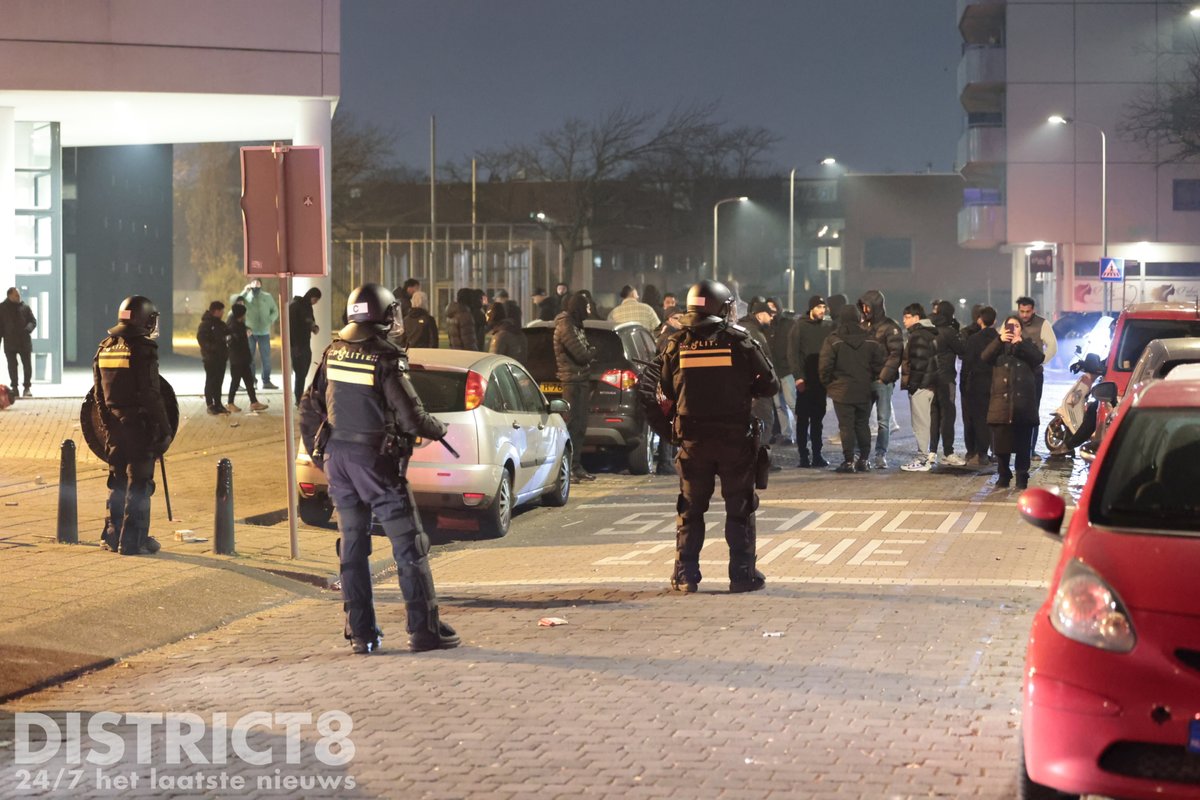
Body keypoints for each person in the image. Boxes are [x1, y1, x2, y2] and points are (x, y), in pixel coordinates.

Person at [299, 283, 458, 655]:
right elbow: (413, 416)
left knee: (352, 548)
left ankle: (361, 634)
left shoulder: (334, 351)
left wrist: (321, 456)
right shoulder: (386, 357)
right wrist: (440, 429)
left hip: (339, 463)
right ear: (385, 316)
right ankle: (424, 630)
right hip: (376, 464)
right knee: (409, 546)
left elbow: (308, 408)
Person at [658, 279, 779, 594]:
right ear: (721, 307)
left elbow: (666, 390)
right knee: (739, 507)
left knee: (690, 508)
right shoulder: (739, 341)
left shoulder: (677, 343)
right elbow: (769, 384)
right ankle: (742, 574)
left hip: (692, 439)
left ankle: (685, 575)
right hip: (732, 438)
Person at [93, 296, 171, 556]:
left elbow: (98, 397)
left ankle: (112, 537)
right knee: (139, 484)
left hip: (113, 427)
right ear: (143, 319)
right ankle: (133, 541)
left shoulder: (104, 347)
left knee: (117, 482)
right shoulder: (143, 349)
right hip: (139, 426)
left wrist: (106, 425)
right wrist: (164, 427)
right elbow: (151, 394)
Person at [819, 305, 885, 473]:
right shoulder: (870, 339)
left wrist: (829, 384)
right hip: (864, 389)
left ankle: (849, 461)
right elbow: (879, 365)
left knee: (846, 426)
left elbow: (825, 367)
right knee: (863, 425)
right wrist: (871, 379)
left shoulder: (833, 339)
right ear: (858, 318)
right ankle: (864, 460)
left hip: (841, 390)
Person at [983, 314, 1044, 489]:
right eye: (1009, 326)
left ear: (1021, 329)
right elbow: (985, 357)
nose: (1013, 329)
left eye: (1016, 326)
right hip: (1001, 406)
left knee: (1023, 446)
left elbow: (1038, 358)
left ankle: (1022, 477)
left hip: (1022, 406)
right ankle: (1003, 476)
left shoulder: (1027, 346)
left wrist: (1020, 343)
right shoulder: (998, 347)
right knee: (1001, 446)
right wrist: (999, 340)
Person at [554, 292, 597, 482]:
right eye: (586, 306)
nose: (589, 310)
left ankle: (576, 466)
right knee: (571, 426)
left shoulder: (577, 325)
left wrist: (589, 352)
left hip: (580, 380)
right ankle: (567, 468)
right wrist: (591, 352)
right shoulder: (566, 326)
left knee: (580, 427)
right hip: (571, 381)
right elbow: (582, 354)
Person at [858, 290, 904, 469]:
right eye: (862, 306)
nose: (864, 309)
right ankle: (861, 454)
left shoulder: (890, 327)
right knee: (862, 420)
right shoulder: (862, 327)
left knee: (883, 421)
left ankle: (880, 454)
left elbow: (896, 354)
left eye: (867, 305)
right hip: (865, 380)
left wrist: (883, 377)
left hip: (882, 382)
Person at [788, 295, 833, 467]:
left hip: (820, 381)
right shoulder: (799, 326)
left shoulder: (827, 327)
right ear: (811, 308)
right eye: (819, 307)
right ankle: (803, 456)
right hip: (805, 381)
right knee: (803, 420)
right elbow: (793, 354)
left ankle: (817, 455)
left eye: (824, 307)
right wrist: (798, 377)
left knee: (817, 420)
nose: (822, 310)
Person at [1017, 296, 1058, 463]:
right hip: (1015, 375)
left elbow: (1053, 346)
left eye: (1028, 311)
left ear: (1033, 310)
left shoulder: (1043, 324)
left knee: (1032, 412)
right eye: (1022, 311)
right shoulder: (1012, 322)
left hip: (1034, 375)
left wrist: (1041, 360)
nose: (1024, 315)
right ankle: (1015, 447)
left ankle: (1031, 449)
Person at [899, 303, 939, 472]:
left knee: (920, 424)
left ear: (916, 318)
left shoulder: (918, 335)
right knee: (926, 422)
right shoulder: (928, 333)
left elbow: (919, 362)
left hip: (921, 385)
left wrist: (913, 385)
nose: (904, 320)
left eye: (907, 317)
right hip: (930, 383)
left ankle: (922, 459)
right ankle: (927, 455)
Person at [928, 300, 966, 466]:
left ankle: (931, 451)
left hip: (929, 377)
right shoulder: (949, 332)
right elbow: (962, 350)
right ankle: (948, 452)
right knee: (948, 414)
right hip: (946, 377)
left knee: (934, 414)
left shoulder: (928, 329)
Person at [960, 306, 998, 466]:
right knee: (993, 420)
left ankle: (976, 451)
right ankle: (989, 451)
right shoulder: (999, 339)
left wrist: (963, 385)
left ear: (980, 320)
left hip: (976, 384)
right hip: (995, 384)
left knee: (976, 418)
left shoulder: (973, 339)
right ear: (995, 321)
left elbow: (966, 365)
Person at [232, 278, 280, 389]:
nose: (255, 286)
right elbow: (236, 303)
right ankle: (252, 381)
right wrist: (244, 290)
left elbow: (275, 310)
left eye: (258, 284)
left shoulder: (267, 297)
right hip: (250, 332)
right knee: (250, 358)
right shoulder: (247, 297)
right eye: (253, 284)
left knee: (266, 358)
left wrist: (270, 320)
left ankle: (266, 381)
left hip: (264, 332)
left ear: (261, 285)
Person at [226, 303, 268, 413]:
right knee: (235, 381)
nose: (245, 316)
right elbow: (233, 342)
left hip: (243, 358)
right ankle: (230, 403)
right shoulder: (232, 326)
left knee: (249, 381)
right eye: (244, 314)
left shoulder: (239, 324)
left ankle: (254, 402)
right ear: (241, 314)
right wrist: (243, 334)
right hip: (237, 359)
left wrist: (246, 330)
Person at [766, 298, 796, 446]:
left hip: (786, 370)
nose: (771, 310)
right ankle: (786, 434)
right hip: (773, 371)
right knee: (779, 406)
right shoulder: (765, 326)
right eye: (768, 308)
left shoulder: (788, 324)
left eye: (773, 307)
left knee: (793, 404)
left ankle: (804, 432)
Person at [0, 287, 36, 398]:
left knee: (27, 366)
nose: (19, 296)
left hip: (24, 342)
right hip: (10, 343)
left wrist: (28, 329)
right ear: (9, 296)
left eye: (19, 294)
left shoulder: (25, 307)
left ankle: (27, 387)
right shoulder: (2, 308)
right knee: (12, 366)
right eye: (16, 295)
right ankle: (14, 388)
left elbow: (33, 321)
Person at [288, 286, 322, 405]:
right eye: (316, 300)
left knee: (304, 371)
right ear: (312, 296)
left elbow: (310, 321)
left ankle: (300, 397)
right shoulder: (295, 306)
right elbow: (291, 327)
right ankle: (299, 399)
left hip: (305, 343)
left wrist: (314, 327)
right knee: (300, 372)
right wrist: (294, 346)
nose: (316, 302)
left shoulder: (308, 307)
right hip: (296, 345)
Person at [196, 300, 229, 415]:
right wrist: (212, 348)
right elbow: (201, 339)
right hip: (211, 358)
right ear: (216, 311)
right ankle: (210, 405)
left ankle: (218, 404)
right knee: (211, 381)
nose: (223, 313)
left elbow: (227, 332)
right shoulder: (206, 324)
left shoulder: (220, 324)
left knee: (219, 382)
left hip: (221, 358)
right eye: (221, 311)